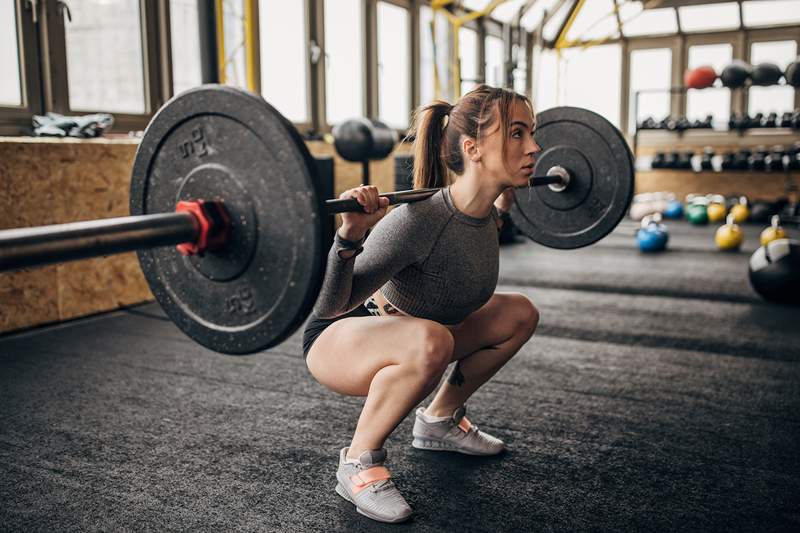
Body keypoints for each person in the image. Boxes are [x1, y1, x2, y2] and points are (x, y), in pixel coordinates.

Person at [302, 85, 540, 523]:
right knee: (431, 339)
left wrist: (507, 198)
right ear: (473, 148)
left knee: (518, 313)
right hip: (339, 336)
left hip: (424, 334)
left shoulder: (486, 211)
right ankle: (357, 463)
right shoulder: (418, 219)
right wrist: (349, 235)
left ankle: (439, 421)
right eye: (518, 134)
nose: (534, 147)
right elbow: (329, 305)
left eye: (532, 134)